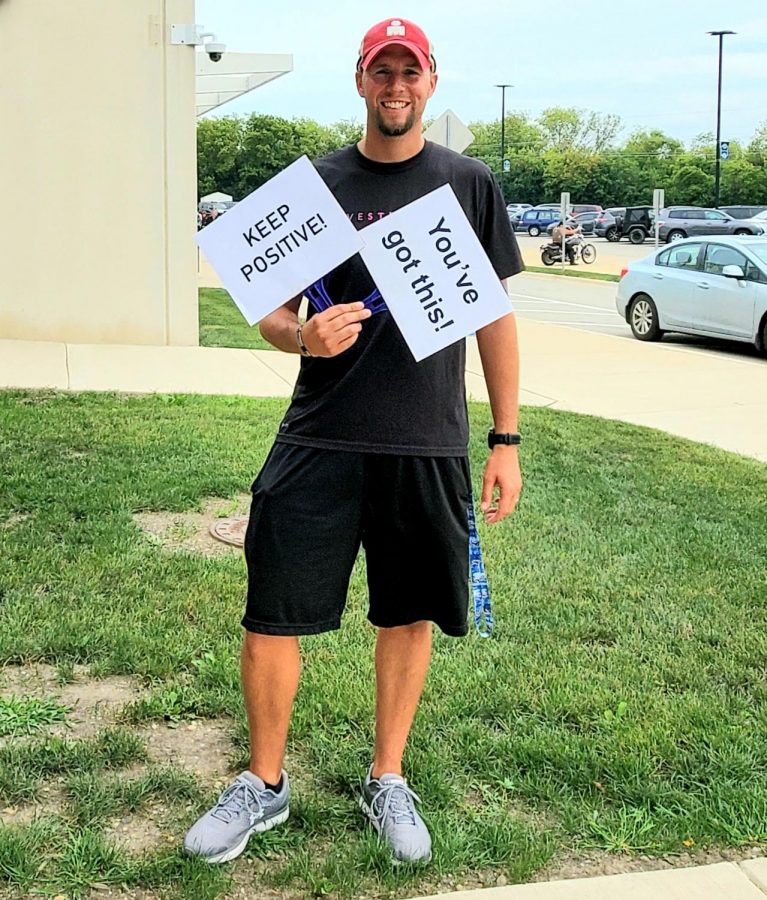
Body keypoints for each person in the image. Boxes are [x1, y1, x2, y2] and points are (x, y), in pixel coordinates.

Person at [183, 17, 524, 866]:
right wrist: (302, 338)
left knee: (406, 612)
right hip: (321, 436)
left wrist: (505, 438)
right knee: (271, 614)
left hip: (426, 440)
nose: (396, 86)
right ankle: (263, 785)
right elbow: (271, 311)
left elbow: (494, 320)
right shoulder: (314, 188)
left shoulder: (467, 185)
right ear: (361, 80)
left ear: (431, 81)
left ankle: (387, 776)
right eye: (383, 72)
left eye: (410, 72)